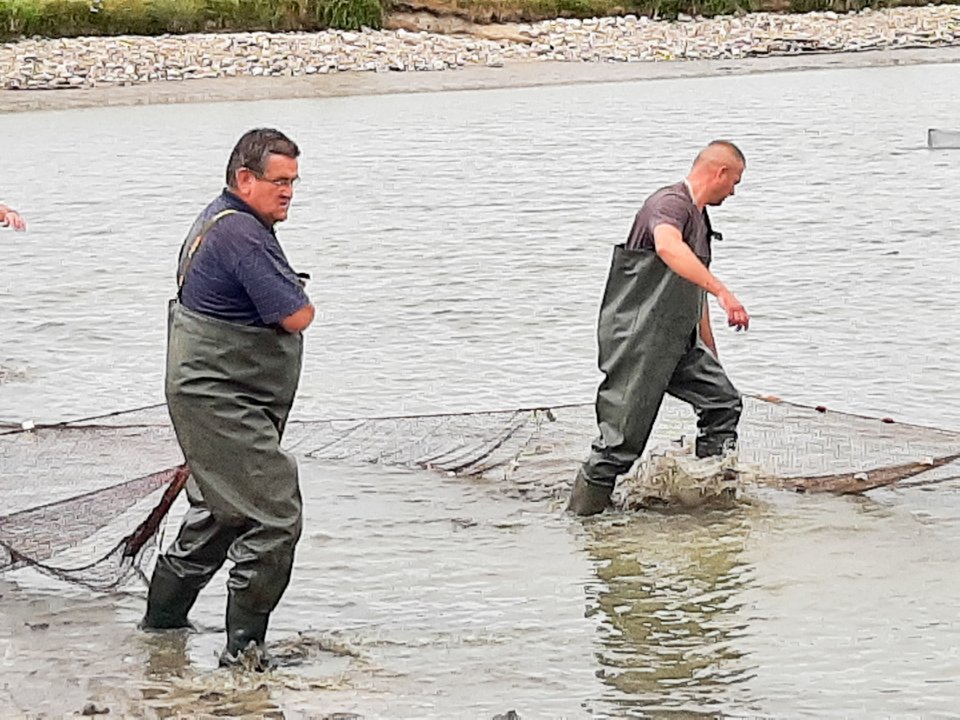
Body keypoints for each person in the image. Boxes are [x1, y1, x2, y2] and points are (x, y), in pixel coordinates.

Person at [140, 128, 315, 670]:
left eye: (294, 182)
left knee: (222, 513)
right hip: (218, 396)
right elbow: (296, 315)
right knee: (275, 513)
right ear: (244, 179)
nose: (288, 192)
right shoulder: (240, 234)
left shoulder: (222, 220)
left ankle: (161, 630)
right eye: (279, 182)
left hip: (211, 391)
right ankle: (245, 652)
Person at [567, 140, 751, 517]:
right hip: (639, 340)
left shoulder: (700, 220)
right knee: (619, 445)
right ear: (720, 173)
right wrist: (724, 292)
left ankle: (710, 499)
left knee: (722, 403)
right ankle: (581, 521)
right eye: (735, 182)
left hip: (680, 343)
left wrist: (710, 355)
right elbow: (668, 248)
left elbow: (690, 292)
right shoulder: (669, 204)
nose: (734, 191)